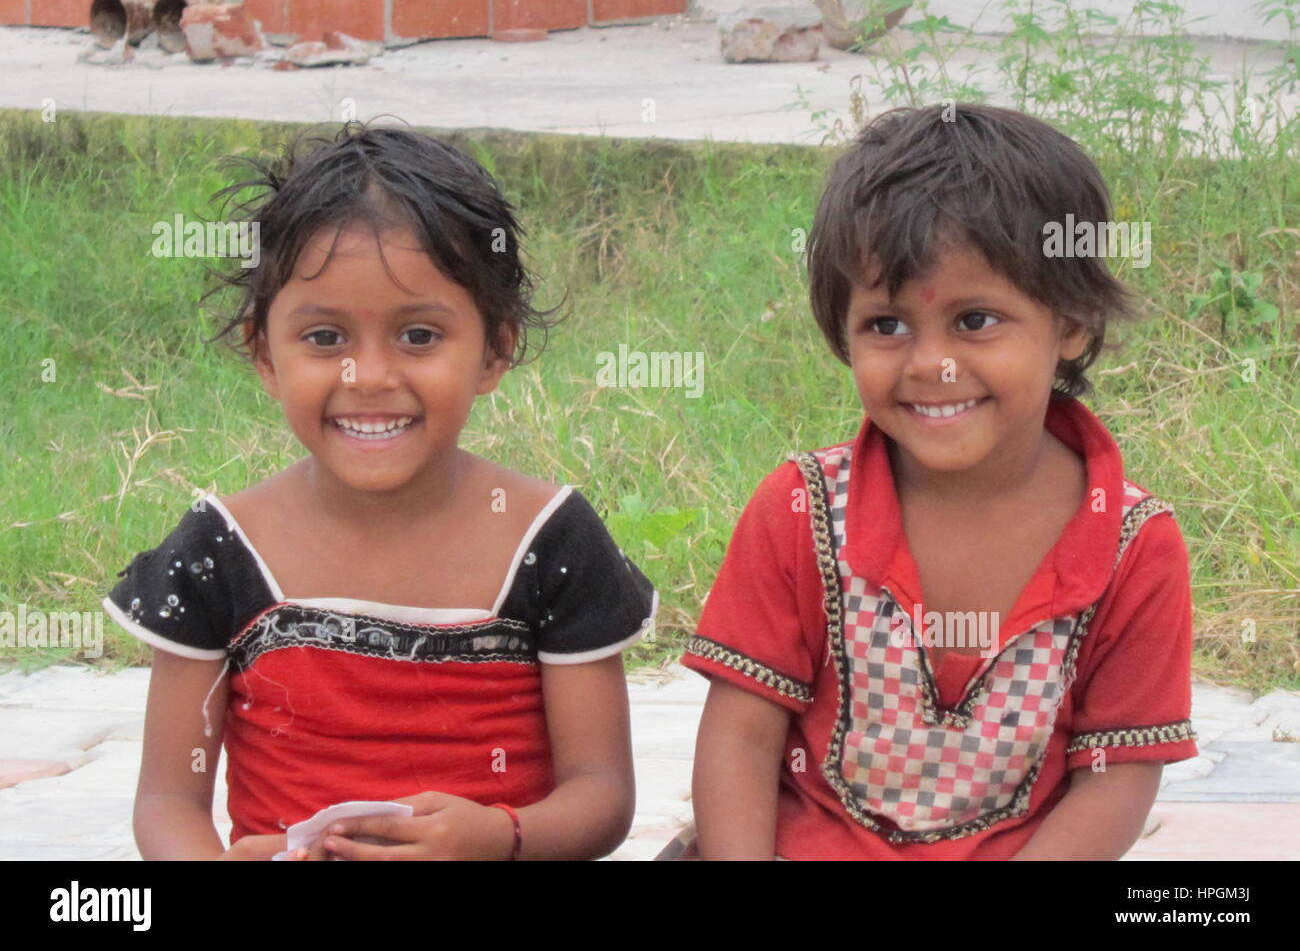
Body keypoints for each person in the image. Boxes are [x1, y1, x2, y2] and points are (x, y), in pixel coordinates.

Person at [104, 124, 657, 860]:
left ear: (496, 348)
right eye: (325, 337)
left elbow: (601, 793)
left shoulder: (546, 539)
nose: (369, 376)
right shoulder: (220, 549)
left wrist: (499, 835)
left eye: (419, 336)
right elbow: (168, 799)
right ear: (263, 353)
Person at [683, 104, 1198, 860]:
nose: (931, 363)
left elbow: (1117, 776)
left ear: (1074, 321)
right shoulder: (801, 507)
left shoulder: (1134, 546)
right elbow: (740, 734)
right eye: (887, 325)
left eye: (976, 319)